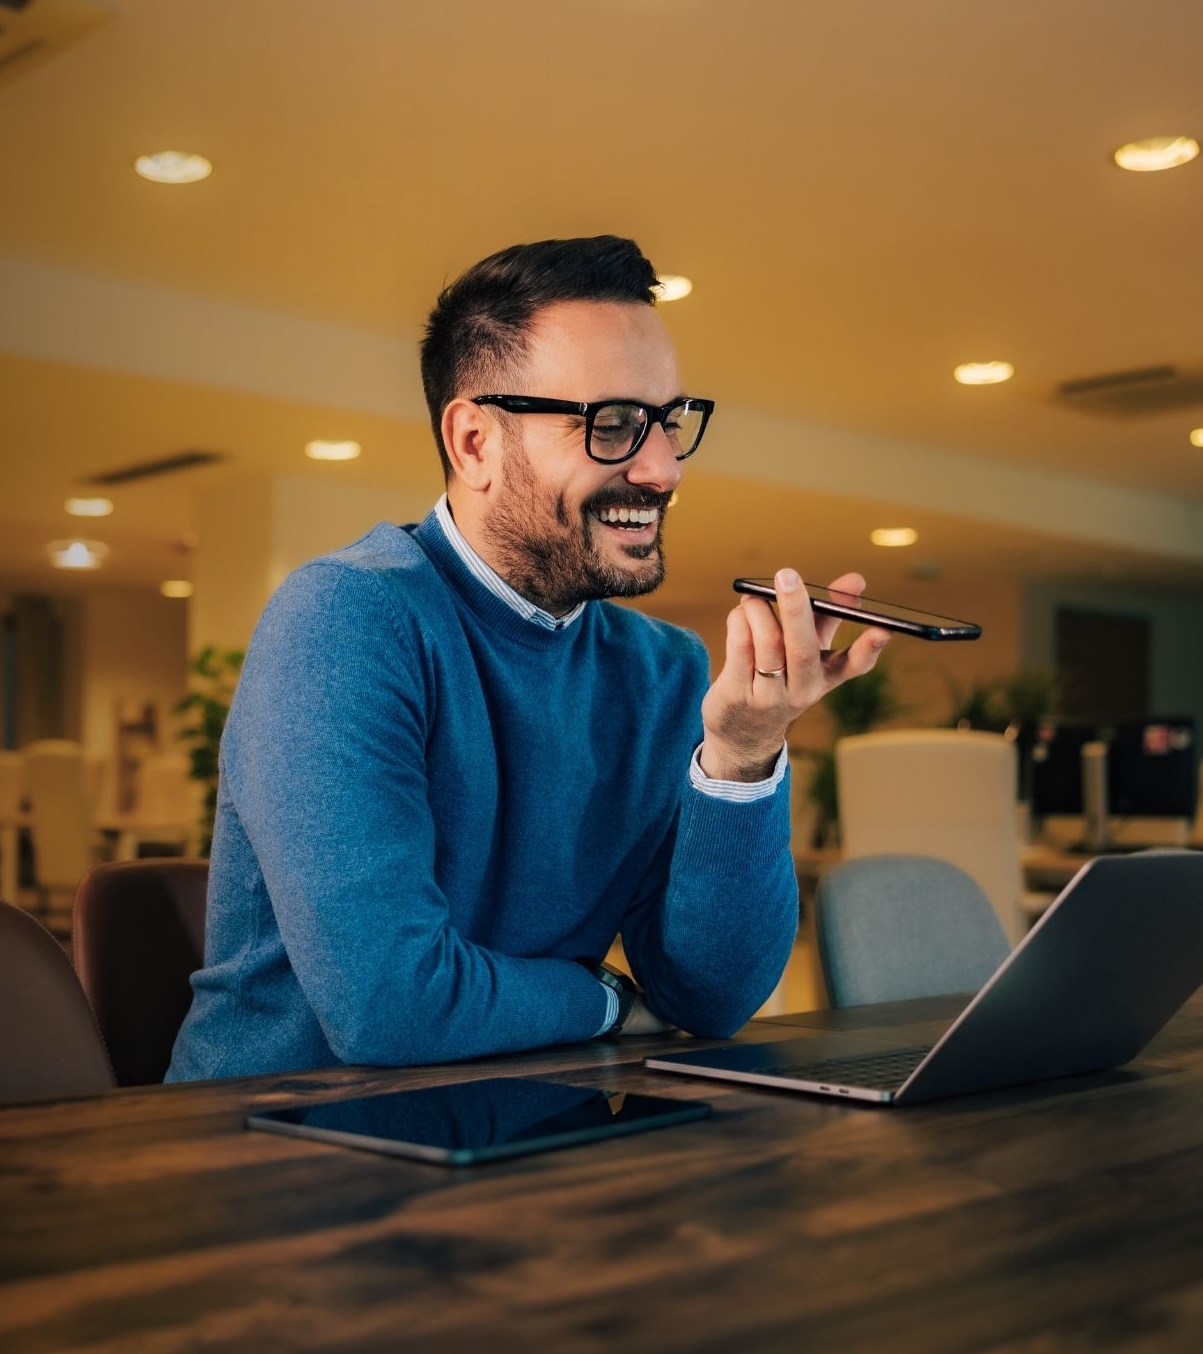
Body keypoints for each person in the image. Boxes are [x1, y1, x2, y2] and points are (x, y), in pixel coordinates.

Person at [165, 235, 890, 1082]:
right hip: (280, 1151)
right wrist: (606, 1004)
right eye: (612, 424)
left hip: (528, 1126)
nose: (661, 470)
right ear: (474, 442)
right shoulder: (347, 619)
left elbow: (711, 999)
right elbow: (389, 1007)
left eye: (668, 422)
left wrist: (742, 756)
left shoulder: (662, 671)